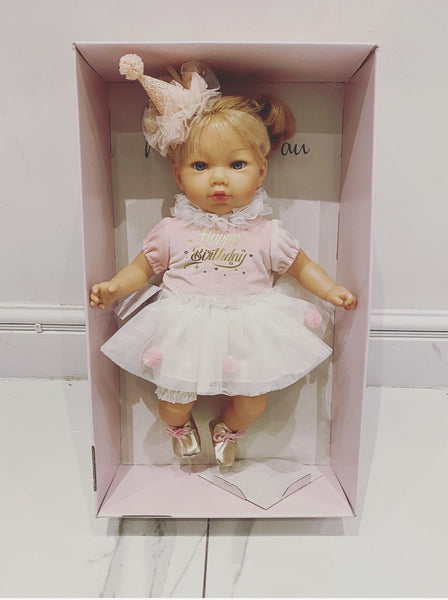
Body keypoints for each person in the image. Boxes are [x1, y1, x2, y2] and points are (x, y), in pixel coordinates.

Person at [90, 54, 357, 467]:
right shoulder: (172, 231)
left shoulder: (268, 233)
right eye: (200, 165)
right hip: (184, 326)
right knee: (173, 400)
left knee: (253, 399)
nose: (219, 177)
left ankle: (227, 427)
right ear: (179, 176)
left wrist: (331, 289)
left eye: (236, 164)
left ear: (261, 170)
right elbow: (141, 269)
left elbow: (302, 266)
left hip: (248, 327)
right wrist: (114, 287)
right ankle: (180, 426)